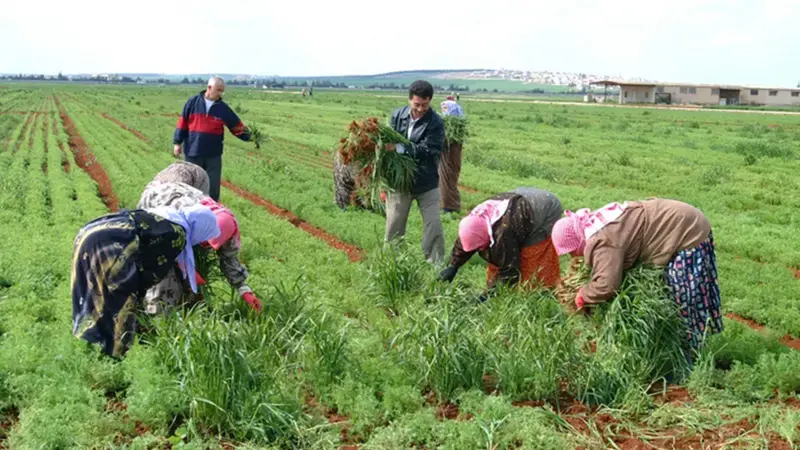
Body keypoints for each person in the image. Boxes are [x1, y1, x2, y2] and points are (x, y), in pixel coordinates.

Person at [550, 198, 723, 354]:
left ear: (577, 241)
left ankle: (690, 353)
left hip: (688, 231)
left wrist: (583, 295)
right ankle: (684, 347)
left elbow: (606, 285)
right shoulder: (596, 225)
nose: (572, 256)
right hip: (682, 219)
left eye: (571, 251)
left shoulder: (603, 242)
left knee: (680, 298)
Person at [71, 205, 220, 358]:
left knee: (93, 292)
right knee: (120, 302)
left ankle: (89, 345)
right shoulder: (177, 234)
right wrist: (140, 311)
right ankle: (115, 355)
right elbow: (151, 273)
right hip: (111, 244)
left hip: (89, 234)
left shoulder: (169, 217)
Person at [138, 163, 262, 314]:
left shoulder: (227, 225)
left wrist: (244, 289)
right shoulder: (178, 212)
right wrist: (185, 266)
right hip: (162, 194)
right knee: (159, 266)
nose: (206, 246)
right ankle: (154, 312)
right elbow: (162, 243)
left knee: (188, 258)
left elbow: (229, 258)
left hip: (193, 183)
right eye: (205, 241)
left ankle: (187, 302)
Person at [439, 187, 563, 299]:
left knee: (530, 257)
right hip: (521, 200)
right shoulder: (473, 220)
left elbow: (510, 268)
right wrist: (454, 265)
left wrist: (488, 295)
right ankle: (497, 289)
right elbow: (467, 239)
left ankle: (539, 293)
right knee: (498, 254)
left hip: (546, 209)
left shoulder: (503, 232)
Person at [383, 80, 446, 263]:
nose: (420, 109)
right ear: (409, 99)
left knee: (433, 224)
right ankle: (393, 262)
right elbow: (387, 143)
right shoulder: (397, 115)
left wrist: (399, 148)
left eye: (424, 105)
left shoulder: (436, 122)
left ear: (430, 100)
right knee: (394, 224)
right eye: (416, 104)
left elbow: (429, 150)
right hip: (400, 182)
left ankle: (435, 265)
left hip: (426, 182)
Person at [173, 76, 252, 201]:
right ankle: (191, 208)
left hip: (213, 154)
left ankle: (213, 209)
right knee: (191, 185)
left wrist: (251, 137)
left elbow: (236, 125)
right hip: (193, 151)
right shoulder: (192, 102)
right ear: (209, 88)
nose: (221, 93)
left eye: (222, 91)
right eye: (218, 90)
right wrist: (177, 143)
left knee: (213, 187)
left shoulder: (223, 108)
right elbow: (182, 123)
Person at [439, 95, 465, 214]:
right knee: (446, 178)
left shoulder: (453, 127)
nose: (445, 112)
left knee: (447, 177)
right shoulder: (451, 125)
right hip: (448, 157)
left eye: (446, 109)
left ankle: (449, 206)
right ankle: (448, 204)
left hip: (449, 157)